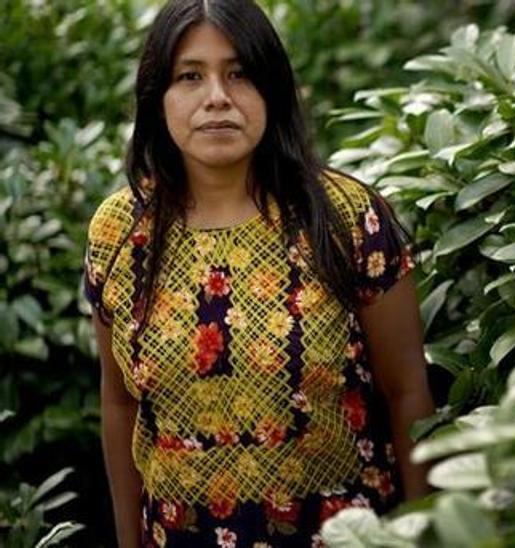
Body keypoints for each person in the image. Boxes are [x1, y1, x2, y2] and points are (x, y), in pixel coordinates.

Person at [83, 1, 435, 546]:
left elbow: (406, 390)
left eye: (240, 73)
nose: (217, 97)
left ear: (271, 87)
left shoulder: (345, 217)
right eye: (190, 76)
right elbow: (119, 402)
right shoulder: (120, 233)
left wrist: (425, 534)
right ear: (159, 98)